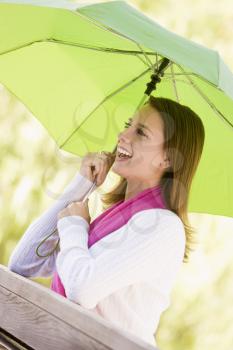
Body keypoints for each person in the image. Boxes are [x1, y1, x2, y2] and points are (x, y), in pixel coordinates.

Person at [8, 96, 205, 348]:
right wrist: (82, 185)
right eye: (128, 124)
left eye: (141, 132)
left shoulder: (163, 227)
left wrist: (75, 227)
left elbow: (83, 289)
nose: (123, 135)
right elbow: (24, 263)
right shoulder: (111, 222)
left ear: (167, 159)